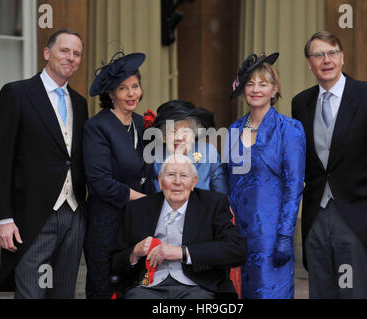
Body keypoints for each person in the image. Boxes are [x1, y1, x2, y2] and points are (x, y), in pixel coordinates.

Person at [291, 31, 367, 299]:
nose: (326, 60)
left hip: (357, 214)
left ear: (342, 57)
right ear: (309, 63)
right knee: (321, 290)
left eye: (332, 53)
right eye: (318, 55)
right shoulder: (301, 103)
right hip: (317, 214)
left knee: (352, 290)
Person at [0, 29, 88, 298]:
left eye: (77, 53)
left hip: (74, 213)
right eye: (64, 50)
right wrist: (4, 218)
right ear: (47, 53)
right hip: (32, 216)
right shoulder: (16, 94)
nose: (71, 58)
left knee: (63, 292)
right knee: (31, 292)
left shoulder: (80, 103)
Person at [224, 52, 306, 299]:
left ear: (274, 89)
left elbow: (294, 186)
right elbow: (228, 183)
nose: (256, 89)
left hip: (272, 237)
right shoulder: (233, 130)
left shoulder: (290, 129)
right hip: (237, 235)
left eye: (263, 84)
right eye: (250, 84)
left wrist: (284, 235)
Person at [111, 154, 247, 299]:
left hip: (197, 287)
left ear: (194, 182)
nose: (177, 182)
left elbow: (237, 250)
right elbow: (113, 262)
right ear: (160, 181)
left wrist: (182, 252)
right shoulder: (138, 208)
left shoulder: (213, 204)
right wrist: (135, 252)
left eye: (183, 176)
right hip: (147, 288)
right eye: (170, 175)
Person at [83, 50, 155, 298]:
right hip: (106, 223)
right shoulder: (97, 126)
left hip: (136, 223)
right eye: (123, 88)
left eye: (135, 86)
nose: (131, 93)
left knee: (135, 287)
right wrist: (146, 201)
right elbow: (100, 182)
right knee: (104, 287)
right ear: (111, 93)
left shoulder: (140, 123)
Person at [150, 99, 228, 194]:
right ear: (164, 136)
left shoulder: (208, 152)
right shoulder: (155, 157)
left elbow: (221, 195)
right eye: (172, 131)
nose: (178, 138)